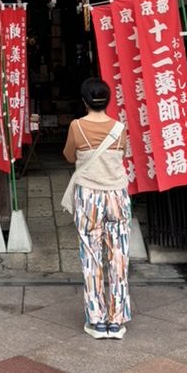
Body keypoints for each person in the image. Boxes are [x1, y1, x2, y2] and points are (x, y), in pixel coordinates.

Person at [61, 77, 131, 339]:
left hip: (89, 195)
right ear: (108, 100)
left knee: (91, 256)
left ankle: (97, 320)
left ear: (84, 101)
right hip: (117, 195)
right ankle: (117, 321)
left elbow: (69, 155)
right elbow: (121, 154)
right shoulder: (119, 127)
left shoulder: (76, 126)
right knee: (119, 257)